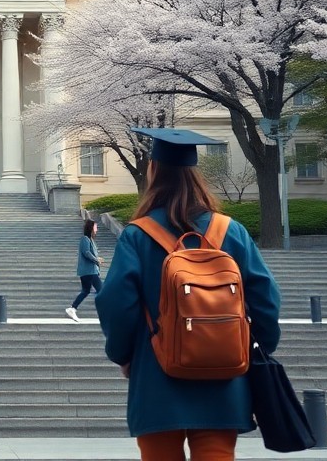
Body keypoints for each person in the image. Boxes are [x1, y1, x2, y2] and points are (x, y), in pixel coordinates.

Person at [97, 128, 282, 461]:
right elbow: (265, 296)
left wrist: (123, 355)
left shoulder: (138, 235)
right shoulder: (231, 230)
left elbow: (116, 303)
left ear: (153, 171)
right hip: (224, 369)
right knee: (217, 453)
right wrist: (255, 347)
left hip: (157, 370)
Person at [65, 219, 103, 322]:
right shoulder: (85, 239)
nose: (97, 229)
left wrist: (97, 261)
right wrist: (97, 259)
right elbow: (86, 253)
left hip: (90, 271)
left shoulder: (90, 240)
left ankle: (72, 308)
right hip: (89, 271)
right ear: (91, 228)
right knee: (102, 291)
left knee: (86, 291)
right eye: (95, 227)